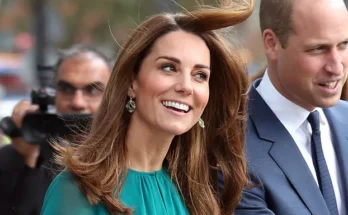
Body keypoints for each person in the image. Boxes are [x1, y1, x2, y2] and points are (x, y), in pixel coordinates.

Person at [41, 1, 254, 215]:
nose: (186, 87)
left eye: (200, 75)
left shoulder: (197, 195)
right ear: (132, 82)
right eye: (169, 67)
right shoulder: (77, 190)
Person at [232, 0, 348, 214]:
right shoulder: (230, 148)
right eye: (318, 49)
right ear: (271, 43)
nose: (336, 67)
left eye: (344, 44)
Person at [0, 44, 112, 215]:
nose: (77, 103)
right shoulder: (11, 159)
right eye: (67, 89)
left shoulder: (133, 158)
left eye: (93, 90)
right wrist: (30, 160)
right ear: (54, 95)